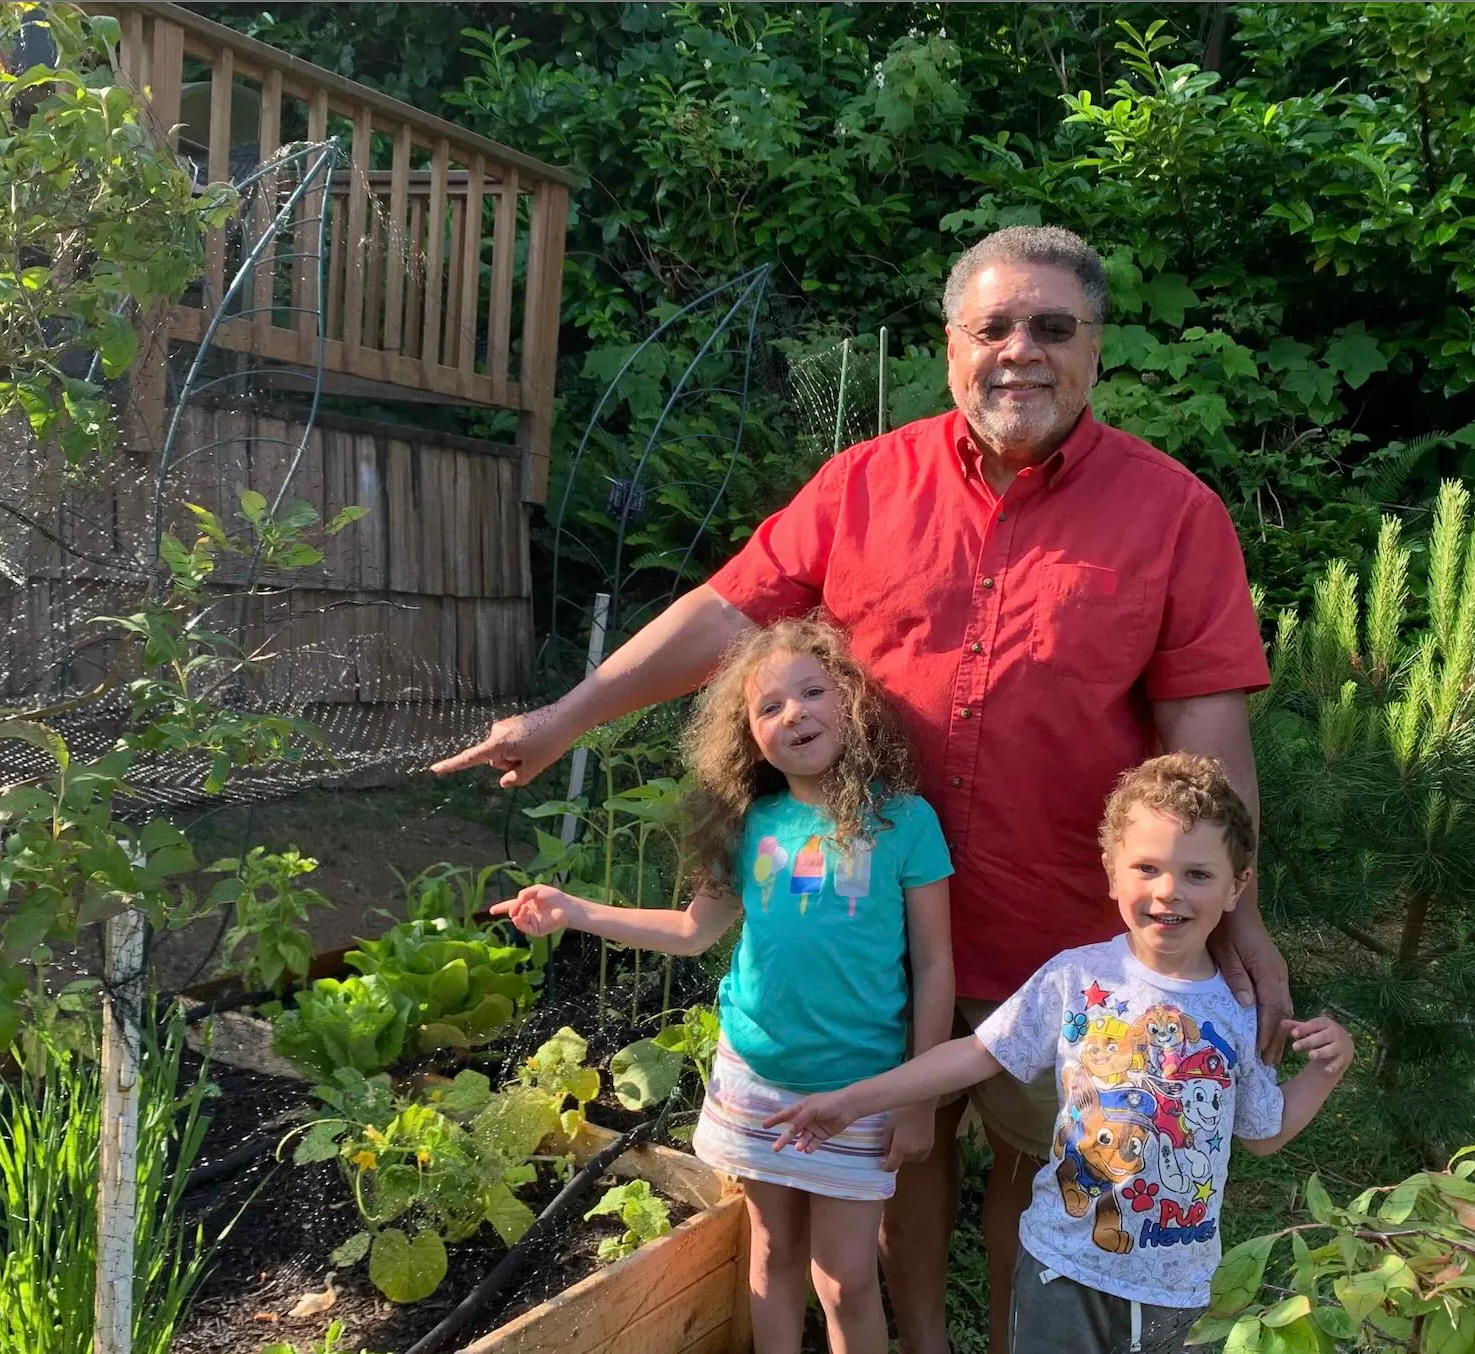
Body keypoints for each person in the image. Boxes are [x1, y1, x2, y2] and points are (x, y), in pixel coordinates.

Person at [437, 224, 1291, 1354]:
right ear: (951, 344)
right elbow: (725, 612)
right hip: (875, 935)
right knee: (901, 1153)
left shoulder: (1174, 514)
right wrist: (566, 717)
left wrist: (1239, 916)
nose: (1020, 351)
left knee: (1043, 1168)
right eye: (993, 326)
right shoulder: (865, 485)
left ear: (1096, 346)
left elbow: (1205, 737)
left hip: (1060, 935)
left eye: (1053, 327)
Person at [765, 754, 1353, 1354]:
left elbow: (1262, 1133)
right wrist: (852, 1101)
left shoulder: (1239, 1007)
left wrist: (1326, 1070)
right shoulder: (1075, 978)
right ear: (1112, 873)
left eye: (1197, 874)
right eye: (1146, 868)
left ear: (1237, 886)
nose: (1168, 891)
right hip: (1061, 1273)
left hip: (1180, 1294)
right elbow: (973, 1055)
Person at [489, 617, 955, 1354]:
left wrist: (918, 1099)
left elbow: (933, 966)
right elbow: (691, 930)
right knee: (772, 1253)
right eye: (769, 706)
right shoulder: (749, 824)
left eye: (812, 691)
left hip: (861, 1092)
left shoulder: (906, 821)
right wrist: (575, 910)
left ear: (852, 700)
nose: (794, 713)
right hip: (755, 1084)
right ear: (748, 736)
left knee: (845, 1281)